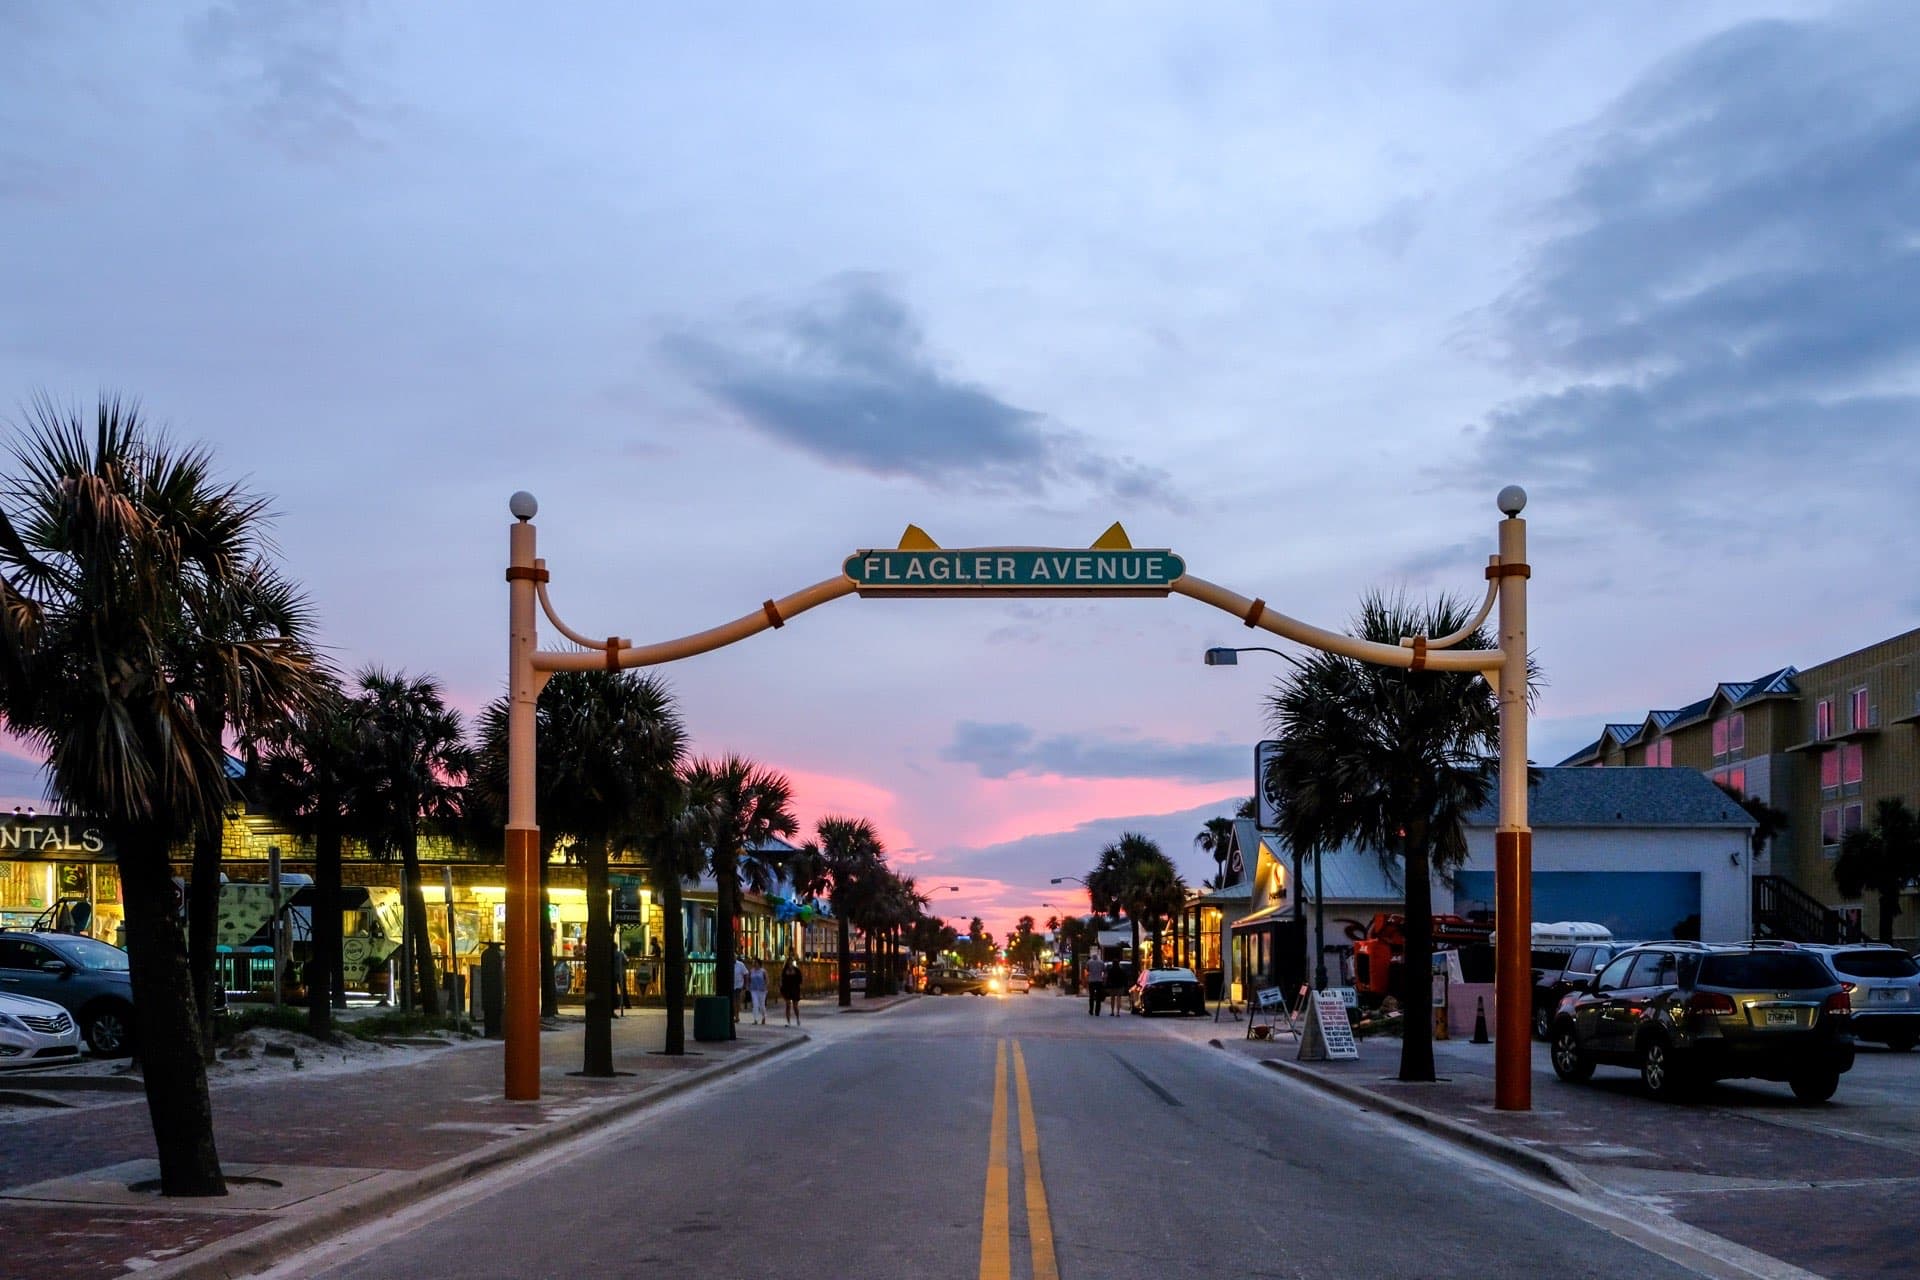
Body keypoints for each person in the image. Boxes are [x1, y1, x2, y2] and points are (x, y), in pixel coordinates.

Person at [780, 957, 803, 1026]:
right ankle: (788, 1021)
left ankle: (797, 1018)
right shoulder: (784, 970)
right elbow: (782, 979)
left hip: (795, 989)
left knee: (795, 1006)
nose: (790, 963)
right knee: (788, 1005)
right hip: (787, 989)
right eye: (789, 962)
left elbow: (800, 979)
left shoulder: (796, 970)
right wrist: (781, 987)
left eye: (791, 962)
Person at [748, 957, 770, 1025]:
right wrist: (748, 986)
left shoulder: (763, 971)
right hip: (753, 989)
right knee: (755, 1004)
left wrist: (765, 986)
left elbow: (767, 980)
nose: (754, 964)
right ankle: (755, 1019)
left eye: (756, 962)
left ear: (759, 963)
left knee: (762, 1005)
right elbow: (749, 979)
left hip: (762, 990)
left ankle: (764, 1016)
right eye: (754, 962)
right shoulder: (751, 971)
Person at [1085, 951, 1107, 1017]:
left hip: (1091, 981)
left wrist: (1088, 977)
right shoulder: (1101, 962)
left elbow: (1087, 970)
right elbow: (1104, 971)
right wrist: (1103, 979)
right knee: (1098, 997)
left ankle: (1091, 1010)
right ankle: (1097, 1011)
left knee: (1091, 996)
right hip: (1099, 981)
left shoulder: (1089, 962)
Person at [611, 943, 629, 1018]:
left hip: (613, 973)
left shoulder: (610, 955)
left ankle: (615, 1004)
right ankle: (627, 1004)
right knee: (623, 989)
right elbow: (626, 962)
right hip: (621, 973)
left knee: (613, 989)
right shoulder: (621, 954)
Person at [733, 954, 749, 1023]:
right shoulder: (728, 964)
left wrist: (745, 985)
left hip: (738, 986)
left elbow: (745, 974)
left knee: (737, 1001)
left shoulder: (740, 964)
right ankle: (734, 1015)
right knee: (733, 1002)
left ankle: (737, 1016)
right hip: (731, 986)